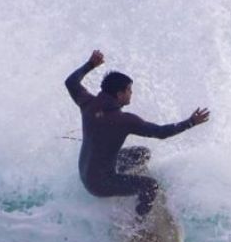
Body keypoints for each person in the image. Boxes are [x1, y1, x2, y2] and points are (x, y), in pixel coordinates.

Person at [64, 50, 209, 217]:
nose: (131, 94)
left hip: (85, 173)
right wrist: (190, 122)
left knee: (142, 153)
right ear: (119, 94)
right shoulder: (123, 120)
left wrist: (90, 65)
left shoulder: (87, 102)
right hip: (100, 185)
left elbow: (71, 82)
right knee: (150, 186)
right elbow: (160, 132)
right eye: (129, 90)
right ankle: (138, 227)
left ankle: (124, 185)